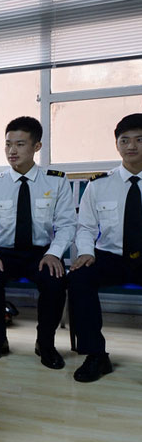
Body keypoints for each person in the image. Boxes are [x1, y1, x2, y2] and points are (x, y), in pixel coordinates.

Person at [0, 116, 76, 369]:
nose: (12, 151)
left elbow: (66, 225)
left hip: (41, 253)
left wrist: (54, 253)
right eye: (8, 144)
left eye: (20, 144)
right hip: (3, 253)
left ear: (36, 147)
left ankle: (46, 343)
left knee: (55, 281)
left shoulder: (56, 181)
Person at [68, 113, 142, 382]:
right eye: (125, 140)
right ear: (117, 145)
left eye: (139, 139)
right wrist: (86, 252)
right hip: (110, 256)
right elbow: (85, 227)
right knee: (79, 278)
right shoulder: (99, 184)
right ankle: (96, 355)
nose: (131, 146)